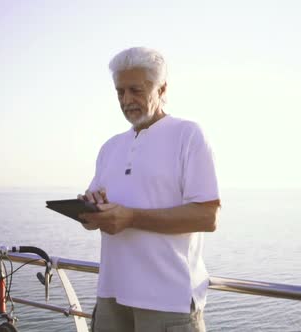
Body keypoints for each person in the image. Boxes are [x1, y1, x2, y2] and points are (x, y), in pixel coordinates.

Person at [79, 47, 220, 332]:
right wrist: (90, 210)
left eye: (135, 90)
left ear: (162, 88)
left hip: (168, 301)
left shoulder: (188, 134)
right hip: (111, 296)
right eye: (120, 92)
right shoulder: (110, 147)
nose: (127, 100)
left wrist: (130, 217)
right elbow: (93, 221)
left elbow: (207, 217)